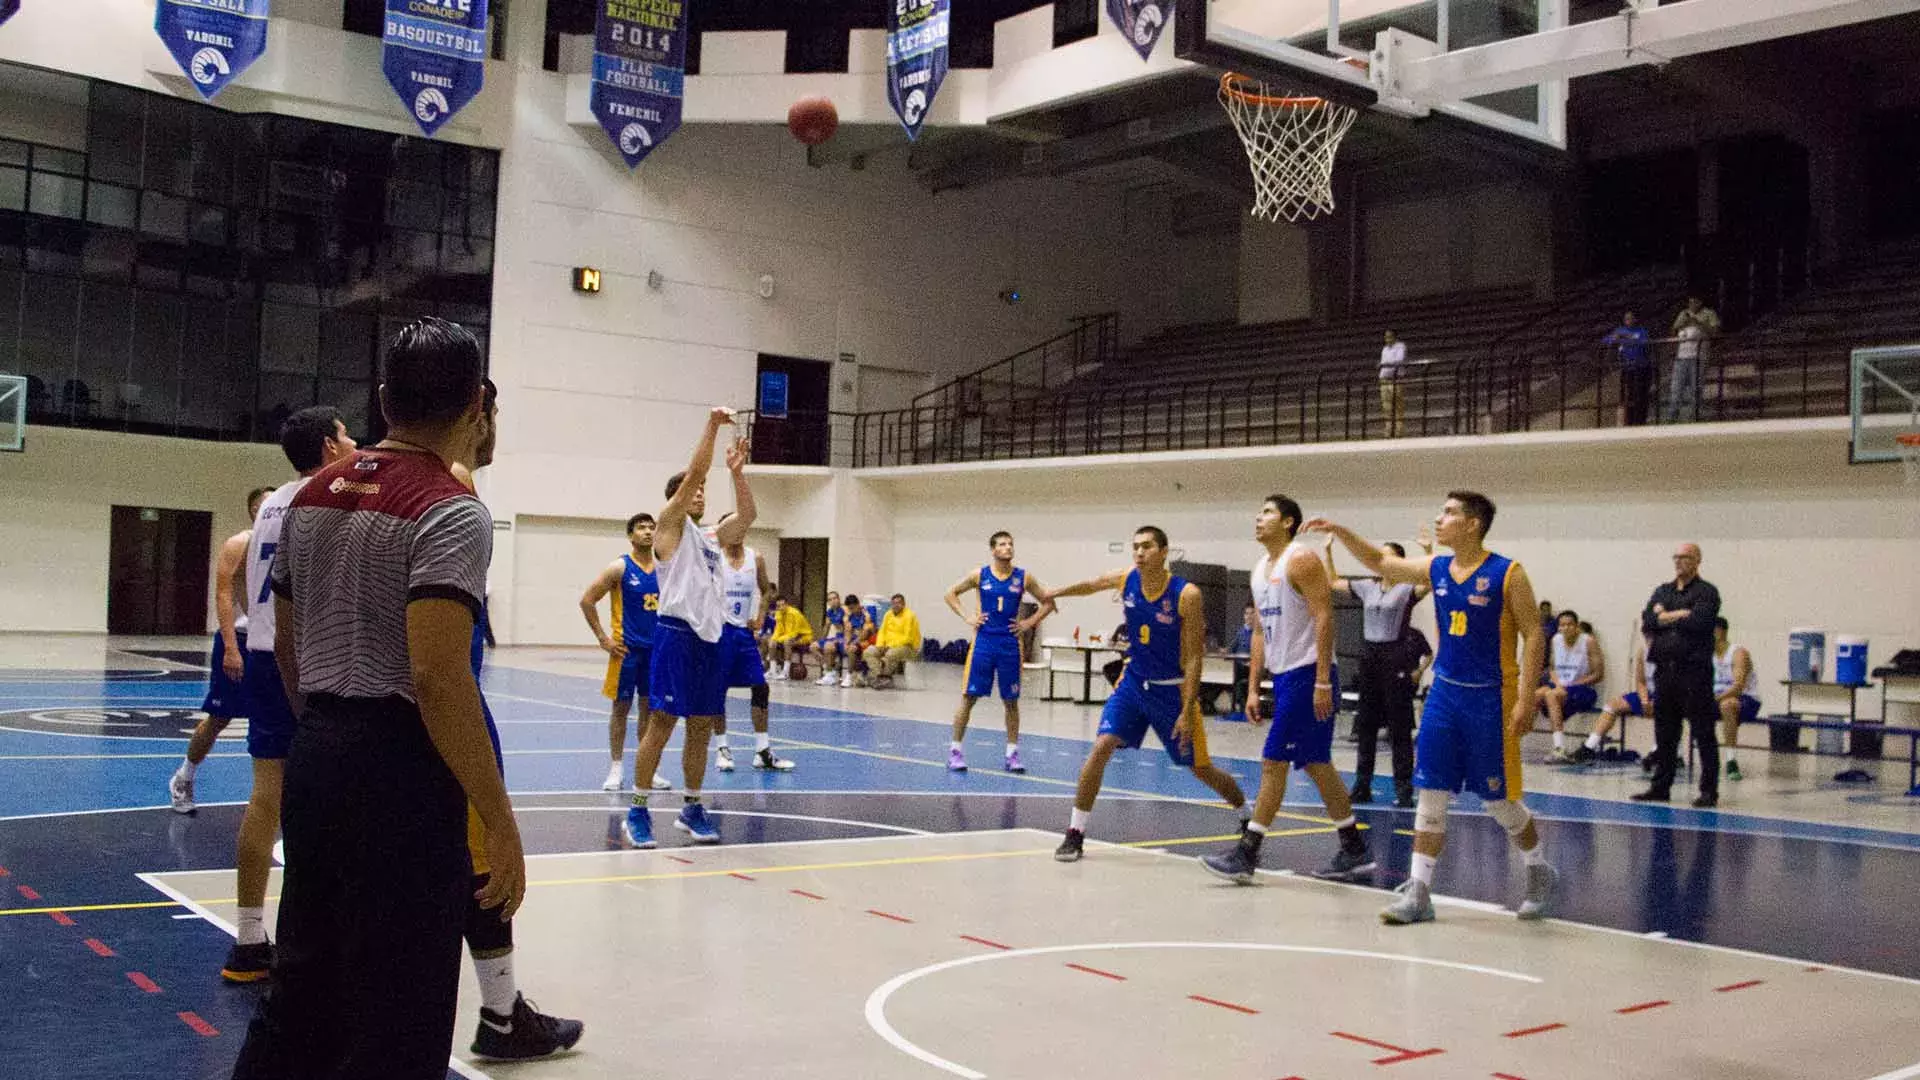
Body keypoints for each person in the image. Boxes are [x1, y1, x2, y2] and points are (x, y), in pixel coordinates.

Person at [231, 318, 525, 1078]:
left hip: (320, 747)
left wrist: (326, 735)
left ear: (386, 398)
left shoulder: (310, 495)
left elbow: (289, 648)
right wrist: (497, 817)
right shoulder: (451, 510)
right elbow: (437, 676)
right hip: (402, 771)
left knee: (301, 993)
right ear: (475, 405)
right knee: (403, 1011)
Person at [1313, 491, 1557, 925]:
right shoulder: (1437, 568)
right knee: (1431, 793)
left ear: (1473, 524)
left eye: (1448, 513)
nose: (1439, 519)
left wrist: (1524, 699)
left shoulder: (1508, 574)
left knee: (1499, 801)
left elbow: (1533, 636)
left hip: (1492, 697)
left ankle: (1539, 869)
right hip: (1445, 693)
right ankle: (1419, 892)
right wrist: (1341, 531)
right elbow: (1381, 564)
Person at [451, 381, 584, 1061]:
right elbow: (434, 662)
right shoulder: (453, 496)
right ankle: (500, 1018)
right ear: (478, 415)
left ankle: (503, 1013)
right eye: (495, 414)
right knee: (486, 871)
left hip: (378, 723)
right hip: (444, 713)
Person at [220, 408, 355, 984]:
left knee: (266, 798)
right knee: (334, 803)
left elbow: (253, 593)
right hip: (310, 660)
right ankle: (324, 939)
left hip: (263, 652)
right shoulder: (331, 496)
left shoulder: (271, 503)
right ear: (329, 446)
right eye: (347, 434)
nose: (355, 442)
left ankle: (250, 939)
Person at [1035, 527, 1249, 862]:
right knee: (1102, 746)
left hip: (1172, 692)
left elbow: (1194, 656)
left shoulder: (1186, 594)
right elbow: (1092, 584)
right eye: (1135, 547)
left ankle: (1246, 815)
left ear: (1164, 552)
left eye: (1146, 546)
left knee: (1201, 769)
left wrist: (1187, 707)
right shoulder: (1127, 579)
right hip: (1134, 683)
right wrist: (1054, 592)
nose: (1139, 552)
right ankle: (1075, 833)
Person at [1201, 497, 1372, 884]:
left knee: (1273, 760)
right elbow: (1260, 630)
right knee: (1315, 763)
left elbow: (1325, 615)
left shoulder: (1302, 559)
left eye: (1266, 513)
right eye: (1258, 512)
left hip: (1309, 671)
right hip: (1283, 676)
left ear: (1288, 521)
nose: (1258, 518)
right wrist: (1253, 686)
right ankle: (1355, 848)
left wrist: (1323, 680)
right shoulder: (1260, 569)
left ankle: (1248, 853)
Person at [622, 408, 754, 849]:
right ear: (678, 495)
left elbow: (748, 515)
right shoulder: (669, 527)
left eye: (703, 491)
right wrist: (714, 427)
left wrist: (737, 473)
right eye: (693, 489)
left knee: (700, 725)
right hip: (676, 635)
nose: (700, 493)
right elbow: (697, 469)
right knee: (661, 724)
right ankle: (637, 808)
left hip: (711, 640)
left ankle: (691, 806)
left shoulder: (714, 537)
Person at [170, 485, 272, 814]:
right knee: (219, 718)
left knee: (278, 719)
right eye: (269, 504)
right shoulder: (240, 543)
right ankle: (184, 776)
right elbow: (223, 596)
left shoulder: (287, 545)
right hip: (240, 640)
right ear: (255, 511)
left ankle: (274, 792)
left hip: (272, 643)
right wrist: (230, 647)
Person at [1329, 536, 1432, 807]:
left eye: (1388, 557)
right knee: (1366, 725)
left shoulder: (1406, 589)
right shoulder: (1366, 587)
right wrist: (1328, 550)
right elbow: (1333, 582)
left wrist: (1428, 551)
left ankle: (1404, 789)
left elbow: (1430, 581)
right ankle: (1362, 785)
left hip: (1395, 657)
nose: (1381, 561)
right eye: (1379, 556)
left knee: (1399, 727)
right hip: (1370, 657)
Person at [578, 514, 670, 793]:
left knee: (651, 711)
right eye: (641, 528)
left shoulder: (666, 567)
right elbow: (587, 601)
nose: (647, 532)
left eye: (652, 527)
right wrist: (603, 639)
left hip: (656, 651)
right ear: (631, 536)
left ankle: (648, 769)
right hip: (626, 651)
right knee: (620, 709)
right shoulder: (619, 568)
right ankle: (616, 767)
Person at [945, 531, 1049, 774]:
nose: (1008, 547)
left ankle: (1012, 754)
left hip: (1010, 645)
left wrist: (1028, 623)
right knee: (968, 698)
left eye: (1011, 543)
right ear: (993, 550)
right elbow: (949, 594)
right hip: (984, 643)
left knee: (1011, 701)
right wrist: (967, 616)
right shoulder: (979, 575)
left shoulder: (1023, 577)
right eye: (1002, 544)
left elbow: (1048, 602)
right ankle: (955, 751)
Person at [1632, 543, 1723, 807]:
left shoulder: (1707, 592)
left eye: (1685, 557)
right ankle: (1661, 786)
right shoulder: (1663, 590)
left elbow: (1700, 622)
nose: (1679, 561)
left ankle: (1708, 790)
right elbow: (1648, 620)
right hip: (1665, 671)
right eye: (1677, 557)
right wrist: (1680, 613)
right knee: (1665, 733)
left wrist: (1666, 616)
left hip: (1694, 672)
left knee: (1703, 732)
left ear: (1697, 561)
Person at [714, 514, 794, 772]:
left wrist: (760, 615)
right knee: (718, 690)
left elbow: (767, 589)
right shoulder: (714, 558)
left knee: (760, 687)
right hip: (719, 632)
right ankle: (722, 748)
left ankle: (762, 750)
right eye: (731, 526)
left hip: (744, 633)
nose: (737, 530)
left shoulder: (755, 557)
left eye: (741, 526)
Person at [1572, 632, 1654, 765]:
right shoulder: (1642, 651)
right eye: (1647, 636)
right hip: (1649, 693)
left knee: (1668, 708)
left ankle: (1662, 752)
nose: (1650, 640)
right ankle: (1589, 747)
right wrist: (1644, 700)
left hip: (1670, 694)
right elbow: (1640, 681)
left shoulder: (1674, 651)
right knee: (1612, 705)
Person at [1537, 610, 1606, 764]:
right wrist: (1558, 683)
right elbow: (1552, 668)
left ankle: (1560, 748)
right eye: (1562, 625)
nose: (1566, 628)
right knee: (1535, 694)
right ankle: (1513, 741)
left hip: (1583, 689)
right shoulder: (1556, 639)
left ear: (1577, 627)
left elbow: (1599, 674)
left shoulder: (1588, 641)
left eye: (1570, 624)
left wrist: (1570, 685)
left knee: (1551, 695)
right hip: (1560, 686)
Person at [1712, 617, 1759, 783]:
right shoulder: (1706, 654)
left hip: (1745, 699)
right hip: (1717, 697)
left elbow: (1738, 686)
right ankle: (1676, 754)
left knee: (1727, 705)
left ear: (1720, 631)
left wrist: (1715, 699)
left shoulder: (1738, 653)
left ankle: (1731, 760)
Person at [1665, 296, 1719, 423]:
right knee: (1676, 388)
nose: (1692, 304)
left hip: (1698, 356)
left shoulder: (1708, 313)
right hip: (1682, 356)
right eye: (1690, 302)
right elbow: (1673, 330)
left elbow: (1714, 331)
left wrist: (1697, 322)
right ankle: (1672, 418)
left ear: (1700, 302)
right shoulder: (1683, 314)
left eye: (1695, 301)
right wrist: (1682, 323)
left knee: (1695, 389)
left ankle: (1694, 417)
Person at [1604, 311, 1654, 426]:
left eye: (1630, 318)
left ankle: (1640, 421)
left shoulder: (1642, 331)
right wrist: (1614, 338)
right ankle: (1629, 421)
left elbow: (1643, 343)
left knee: (1640, 395)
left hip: (1641, 368)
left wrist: (1628, 336)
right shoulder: (1620, 331)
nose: (1628, 321)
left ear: (1635, 319)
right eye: (1626, 319)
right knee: (1628, 395)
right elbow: (1606, 340)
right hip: (1627, 368)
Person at [869, 593, 923, 688]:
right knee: (869, 652)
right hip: (888, 646)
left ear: (904, 604)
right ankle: (879, 676)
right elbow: (882, 632)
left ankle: (885, 677)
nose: (896, 605)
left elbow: (908, 638)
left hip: (908, 647)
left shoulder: (909, 616)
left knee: (890, 654)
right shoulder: (888, 614)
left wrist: (889, 646)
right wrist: (880, 645)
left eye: (898, 603)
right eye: (893, 603)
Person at [767, 597, 813, 678]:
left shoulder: (795, 613)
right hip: (787, 636)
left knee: (787, 642)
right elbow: (778, 630)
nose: (781, 607)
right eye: (778, 606)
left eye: (783, 605)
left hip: (803, 636)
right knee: (771, 642)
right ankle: (772, 670)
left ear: (787, 605)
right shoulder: (778, 613)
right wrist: (773, 639)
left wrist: (779, 639)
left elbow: (794, 633)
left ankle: (786, 671)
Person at [1379, 329, 1407, 438]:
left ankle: (1399, 430)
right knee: (1386, 405)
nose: (1387, 339)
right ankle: (1388, 429)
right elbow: (1383, 362)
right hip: (1384, 378)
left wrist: (1386, 364)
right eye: (1386, 337)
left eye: (1390, 337)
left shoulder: (1400, 346)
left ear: (1395, 337)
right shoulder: (1385, 349)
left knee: (1398, 404)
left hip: (1396, 378)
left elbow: (1399, 360)